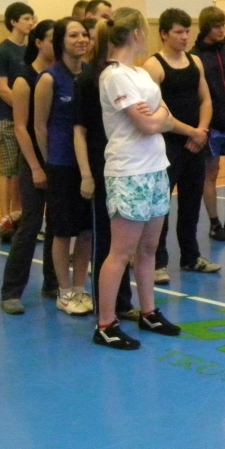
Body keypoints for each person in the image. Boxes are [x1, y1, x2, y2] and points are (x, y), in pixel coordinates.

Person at [94, 7, 180, 348]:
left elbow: (166, 114)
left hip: (156, 167)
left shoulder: (141, 73)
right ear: (137, 34)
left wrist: (158, 117)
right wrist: (158, 118)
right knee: (121, 251)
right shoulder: (114, 76)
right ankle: (105, 323)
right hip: (129, 171)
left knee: (149, 247)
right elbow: (147, 123)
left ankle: (149, 311)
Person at [143, 8, 220, 284]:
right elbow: (157, 112)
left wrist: (201, 132)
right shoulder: (153, 66)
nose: (185, 36)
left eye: (187, 31)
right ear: (164, 34)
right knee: (160, 206)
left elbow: (206, 100)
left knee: (191, 203)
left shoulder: (195, 62)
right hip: (166, 146)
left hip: (195, 144)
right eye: (178, 32)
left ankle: (190, 256)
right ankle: (157, 262)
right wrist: (192, 132)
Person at [73, 38, 140, 327]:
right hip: (101, 166)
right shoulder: (90, 79)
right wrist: (86, 174)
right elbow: (79, 131)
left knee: (122, 242)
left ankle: (122, 302)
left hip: (125, 165)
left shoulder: (126, 75)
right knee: (106, 240)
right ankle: (106, 309)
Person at [0, 20, 60, 314]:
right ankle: (11, 291)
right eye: (52, 39)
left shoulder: (59, 75)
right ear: (38, 42)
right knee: (31, 224)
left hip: (59, 158)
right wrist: (36, 167)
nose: (56, 45)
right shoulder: (25, 80)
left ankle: (52, 283)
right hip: (34, 158)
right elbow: (21, 128)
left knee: (58, 224)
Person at [35, 18, 94, 315]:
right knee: (62, 231)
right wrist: (51, 162)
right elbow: (39, 125)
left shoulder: (92, 74)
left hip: (89, 165)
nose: (81, 39)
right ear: (61, 41)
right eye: (73, 35)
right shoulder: (49, 79)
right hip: (61, 165)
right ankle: (64, 290)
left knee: (86, 230)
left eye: (84, 34)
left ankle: (81, 288)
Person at [192, 6, 225, 242]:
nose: (222, 30)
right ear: (206, 28)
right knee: (211, 174)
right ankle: (214, 223)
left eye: (223, 25)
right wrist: (204, 125)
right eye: (216, 26)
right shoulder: (195, 56)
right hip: (213, 128)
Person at [0, 2, 35, 242]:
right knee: (8, 169)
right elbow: (2, 89)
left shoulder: (30, 51)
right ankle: (5, 217)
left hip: (25, 120)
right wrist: (22, 108)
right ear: (13, 22)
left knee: (21, 170)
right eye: (26, 18)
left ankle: (19, 215)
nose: (31, 22)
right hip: (6, 119)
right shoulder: (1, 51)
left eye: (32, 18)